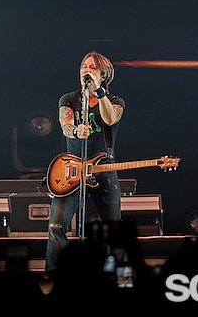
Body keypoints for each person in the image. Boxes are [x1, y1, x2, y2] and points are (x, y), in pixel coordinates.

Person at [45, 51, 126, 273]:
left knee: (114, 230)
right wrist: (75, 131)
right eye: (83, 66)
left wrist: (99, 92)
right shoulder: (69, 99)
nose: (86, 70)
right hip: (72, 169)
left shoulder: (116, 101)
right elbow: (65, 126)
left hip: (103, 170)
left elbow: (110, 118)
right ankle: (54, 277)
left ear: (104, 74)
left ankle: (119, 277)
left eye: (92, 67)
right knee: (56, 225)